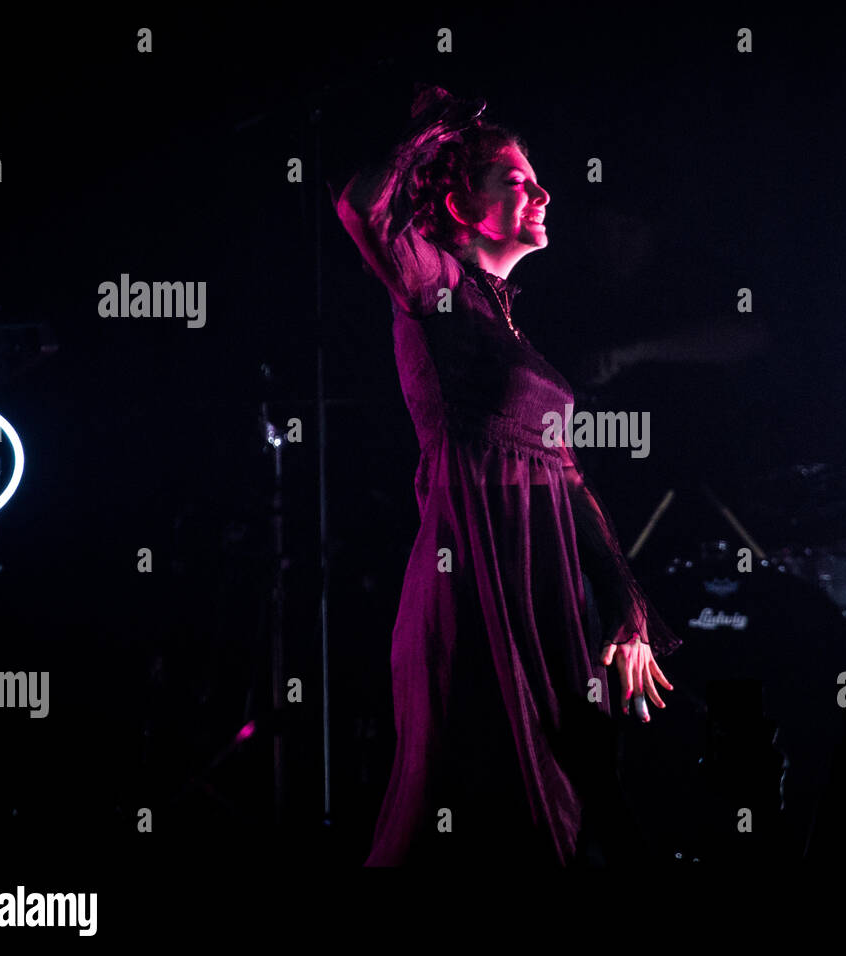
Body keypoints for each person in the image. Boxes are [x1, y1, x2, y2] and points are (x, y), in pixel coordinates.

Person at [334, 83, 682, 866]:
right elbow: (363, 205)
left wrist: (626, 605)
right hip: (475, 580)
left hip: (545, 585)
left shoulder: (505, 318)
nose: (543, 191)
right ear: (459, 203)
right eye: (517, 179)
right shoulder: (436, 291)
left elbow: (565, 474)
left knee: (567, 791)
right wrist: (437, 126)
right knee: (473, 796)